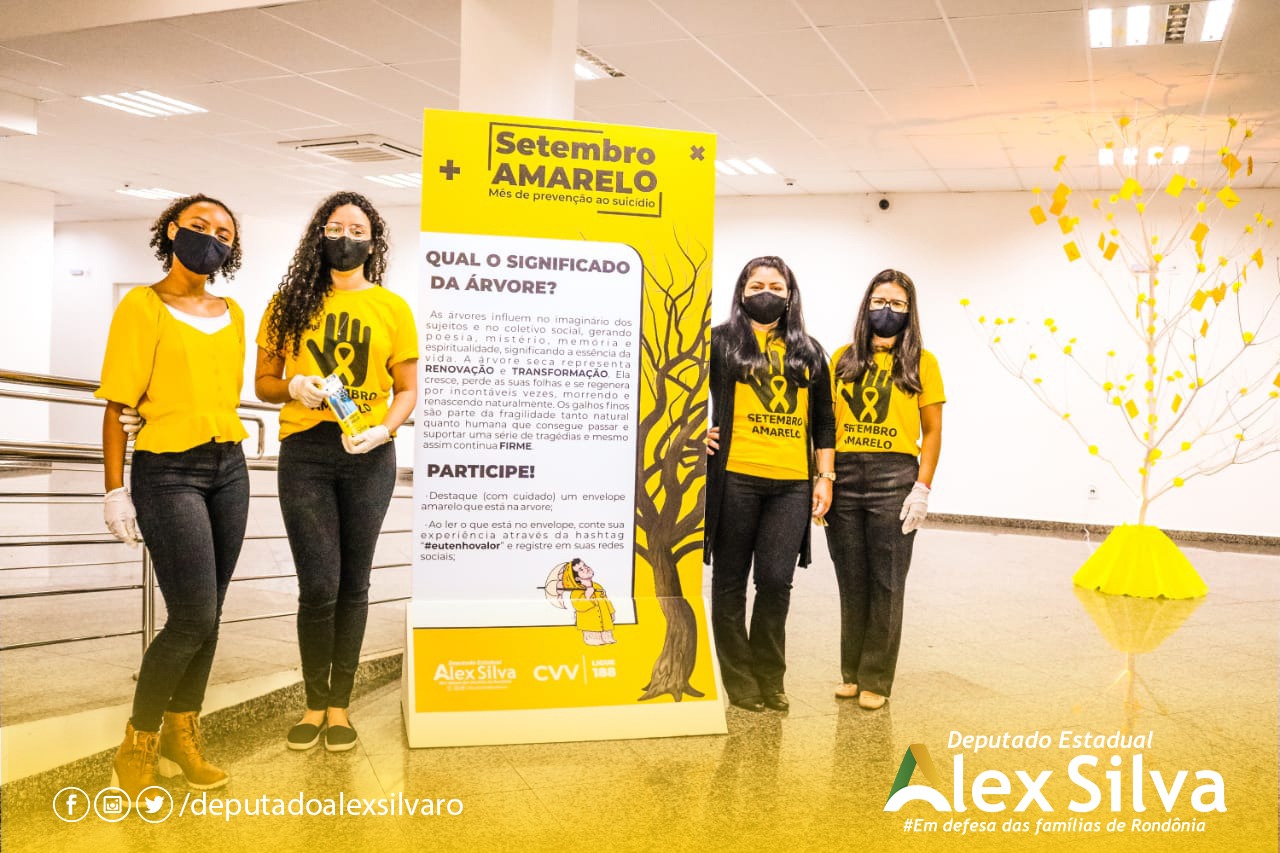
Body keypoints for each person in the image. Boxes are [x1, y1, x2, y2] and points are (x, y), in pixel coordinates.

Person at [254, 191, 417, 753]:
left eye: (357, 229)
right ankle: (313, 702)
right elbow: (264, 383)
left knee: (354, 582)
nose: (345, 238)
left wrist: (385, 430)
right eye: (334, 228)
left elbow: (407, 389)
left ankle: (340, 705)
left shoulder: (392, 308)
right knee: (318, 584)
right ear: (317, 236)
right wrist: (293, 386)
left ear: (373, 241)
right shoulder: (288, 304)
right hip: (306, 452)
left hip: (368, 453)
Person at [96, 194, 248, 797]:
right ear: (171, 231)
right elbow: (118, 405)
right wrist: (115, 489)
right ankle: (138, 742)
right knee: (191, 616)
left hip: (229, 466)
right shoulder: (143, 305)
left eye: (224, 233)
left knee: (211, 615)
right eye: (199, 226)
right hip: (169, 471)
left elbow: (222, 393)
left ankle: (184, 736)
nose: (212, 238)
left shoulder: (232, 312)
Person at [705, 256, 834, 713]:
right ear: (741, 292)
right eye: (756, 285)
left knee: (777, 582)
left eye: (776, 287)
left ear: (790, 294)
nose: (766, 293)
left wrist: (824, 477)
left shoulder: (809, 350)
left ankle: (769, 676)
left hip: (791, 485)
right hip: (735, 478)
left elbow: (824, 420)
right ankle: (739, 680)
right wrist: (695, 432)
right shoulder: (719, 342)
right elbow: (684, 395)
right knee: (730, 582)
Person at [825, 269, 944, 710]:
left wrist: (922, 487)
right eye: (879, 301)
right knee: (851, 579)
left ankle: (876, 677)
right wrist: (823, 477)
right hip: (844, 474)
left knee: (887, 581)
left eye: (896, 303)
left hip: (894, 477)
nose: (886, 310)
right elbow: (826, 424)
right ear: (866, 304)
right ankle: (851, 673)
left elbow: (932, 431)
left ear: (909, 311)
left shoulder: (923, 363)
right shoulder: (843, 358)